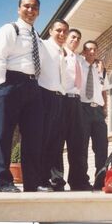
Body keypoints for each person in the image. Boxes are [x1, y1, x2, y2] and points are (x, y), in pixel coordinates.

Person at [0, 0, 46, 192]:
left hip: (32, 86)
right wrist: (2, 87)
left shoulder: (37, 36)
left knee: (33, 136)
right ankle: (4, 182)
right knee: (4, 135)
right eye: (26, 6)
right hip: (10, 83)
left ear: (39, 11)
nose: (30, 11)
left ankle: (32, 183)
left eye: (35, 8)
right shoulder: (9, 29)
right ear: (18, 8)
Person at [38, 18, 69, 191]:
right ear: (50, 31)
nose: (62, 34)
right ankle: (41, 180)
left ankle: (55, 180)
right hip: (45, 96)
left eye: (65, 31)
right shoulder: (43, 46)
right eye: (58, 30)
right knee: (45, 140)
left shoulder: (61, 52)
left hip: (60, 98)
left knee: (56, 143)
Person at [60, 28, 93, 191]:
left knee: (78, 144)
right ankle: (56, 180)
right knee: (57, 142)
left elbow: (91, 63)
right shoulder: (60, 54)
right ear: (66, 38)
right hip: (61, 100)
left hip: (77, 102)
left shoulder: (79, 59)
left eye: (78, 38)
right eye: (73, 37)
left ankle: (78, 180)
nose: (75, 40)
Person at [79, 40, 110, 190]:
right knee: (82, 146)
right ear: (84, 52)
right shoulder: (78, 65)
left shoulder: (101, 69)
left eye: (94, 49)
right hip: (82, 109)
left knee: (102, 147)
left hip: (98, 110)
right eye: (88, 49)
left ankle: (100, 181)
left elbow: (104, 90)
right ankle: (83, 181)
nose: (92, 52)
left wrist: (105, 109)